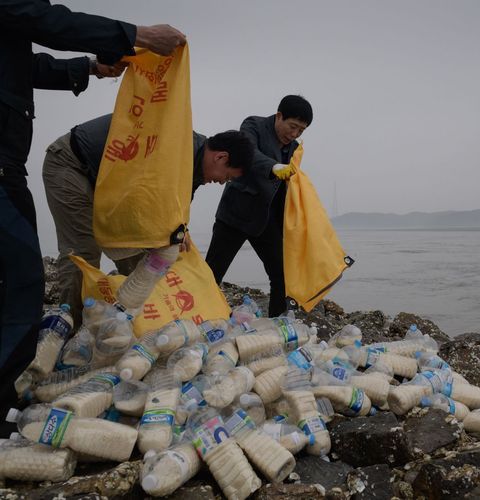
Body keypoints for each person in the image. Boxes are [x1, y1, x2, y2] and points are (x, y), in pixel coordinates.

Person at [0, 0, 186, 436]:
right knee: (24, 278)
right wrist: (136, 35)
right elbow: (36, 18)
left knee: (14, 276)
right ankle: (3, 399)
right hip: (14, 164)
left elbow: (20, 63)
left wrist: (87, 68)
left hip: (10, 160)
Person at [42, 113, 255, 320]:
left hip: (106, 181)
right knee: (82, 251)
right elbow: (142, 199)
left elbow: (174, 210)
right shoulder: (175, 148)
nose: (220, 183)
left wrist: (180, 229)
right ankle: (69, 326)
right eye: (226, 177)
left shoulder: (195, 168)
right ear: (221, 157)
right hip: (73, 164)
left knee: (147, 253)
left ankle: (132, 319)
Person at [206, 95, 313, 317]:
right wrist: (273, 166)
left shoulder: (294, 148)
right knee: (211, 274)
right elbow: (249, 154)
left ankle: (276, 324)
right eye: (292, 126)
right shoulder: (253, 125)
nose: (294, 134)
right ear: (279, 116)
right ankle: (197, 317)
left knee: (281, 276)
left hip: (267, 221)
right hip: (236, 215)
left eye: (301, 131)